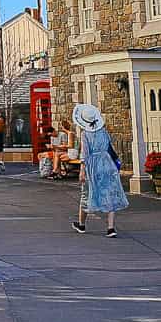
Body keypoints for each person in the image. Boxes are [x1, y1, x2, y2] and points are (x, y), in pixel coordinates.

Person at [71, 102, 129, 237]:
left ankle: (81, 225)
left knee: (86, 193)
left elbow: (85, 154)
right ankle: (110, 228)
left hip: (93, 165)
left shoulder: (85, 134)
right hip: (107, 163)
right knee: (110, 194)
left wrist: (82, 170)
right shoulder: (104, 131)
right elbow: (110, 147)